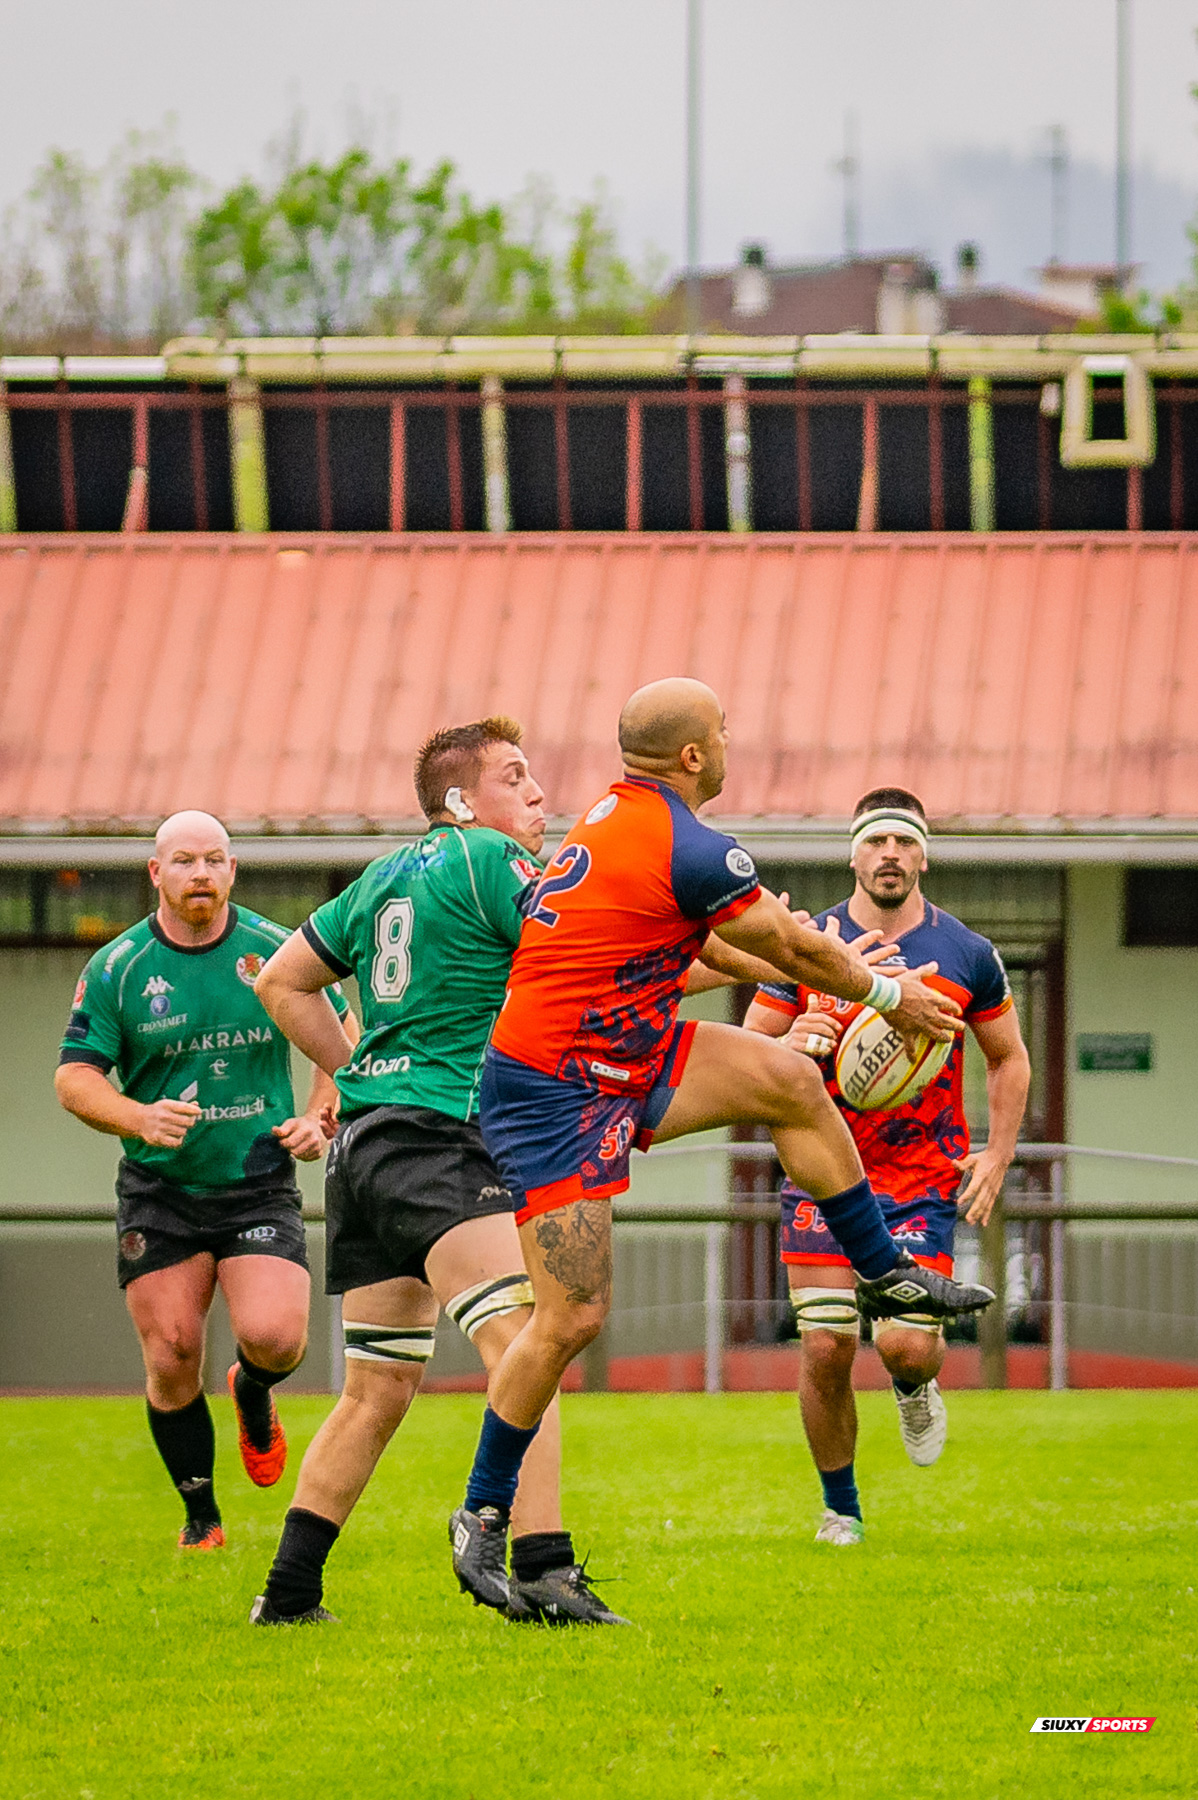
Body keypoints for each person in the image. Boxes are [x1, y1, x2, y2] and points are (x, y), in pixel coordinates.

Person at [450, 678, 995, 1617]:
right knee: (572, 1319)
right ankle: (482, 1516)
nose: (734, 741)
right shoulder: (690, 843)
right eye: (726, 731)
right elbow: (793, 947)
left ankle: (884, 1273)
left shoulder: (622, 821)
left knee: (787, 1080)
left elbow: (757, 946)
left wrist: (804, 958)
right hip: (553, 1086)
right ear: (695, 755)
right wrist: (884, 994)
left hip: (625, 1047)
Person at [247, 719, 623, 1626]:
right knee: (532, 1341)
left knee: (376, 1386)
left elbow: (282, 983)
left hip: (368, 1145)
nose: (538, 794)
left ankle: (289, 1594)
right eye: (514, 777)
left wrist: (349, 1073)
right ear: (461, 803)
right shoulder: (491, 861)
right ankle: (543, 1570)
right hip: (442, 1140)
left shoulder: (382, 877)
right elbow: (595, 966)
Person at [54, 810, 350, 1550]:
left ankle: (252, 1390)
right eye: (184, 861)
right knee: (173, 1350)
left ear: (232, 870)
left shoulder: (273, 952)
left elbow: (342, 1042)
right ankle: (201, 1519)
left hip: (257, 1179)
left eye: (215, 860)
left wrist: (321, 1115)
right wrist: (136, 1117)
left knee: (276, 1340)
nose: (201, 875)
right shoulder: (119, 969)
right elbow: (74, 1077)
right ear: (156, 873)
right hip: (161, 1190)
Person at [743, 788, 1031, 1543]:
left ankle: (912, 1382)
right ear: (854, 854)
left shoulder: (966, 953)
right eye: (877, 842)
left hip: (920, 1178)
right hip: (820, 1169)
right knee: (827, 1344)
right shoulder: (808, 943)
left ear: (923, 855)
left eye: (904, 842)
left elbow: (1007, 1057)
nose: (891, 855)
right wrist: (791, 1042)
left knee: (905, 1342)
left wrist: (997, 1152)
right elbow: (750, 1053)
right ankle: (841, 1509)